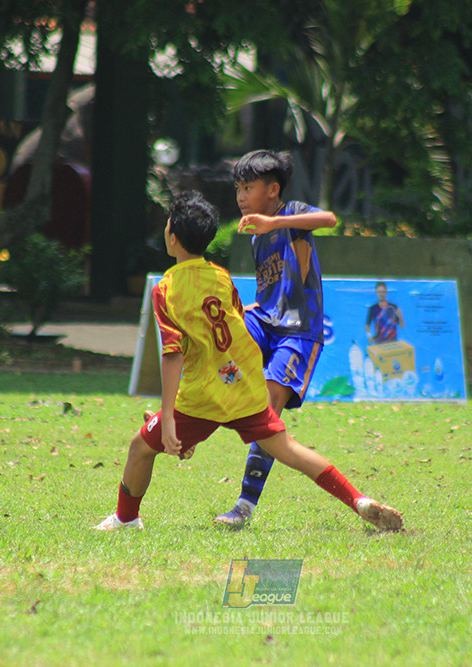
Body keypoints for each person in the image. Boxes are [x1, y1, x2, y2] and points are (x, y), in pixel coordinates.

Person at [95, 191, 402, 533]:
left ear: (173, 237)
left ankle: (126, 519)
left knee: (140, 447)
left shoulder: (165, 289)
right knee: (289, 450)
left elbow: (173, 353)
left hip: (203, 396)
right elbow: (238, 323)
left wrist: (168, 419)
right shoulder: (220, 276)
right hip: (244, 383)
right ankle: (358, 500)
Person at [213, 149, 337, 529]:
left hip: (299, 331)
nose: (240, 196)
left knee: (268, 413)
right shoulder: (256, 233)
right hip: (268, 320)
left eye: (247, 187)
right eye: (237, 188)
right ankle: (210, 400)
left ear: (273, 190)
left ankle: (244, 507)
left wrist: (273, 223)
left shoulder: (290, 214)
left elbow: (329, 218)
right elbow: (274, 285)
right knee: (219, 333)